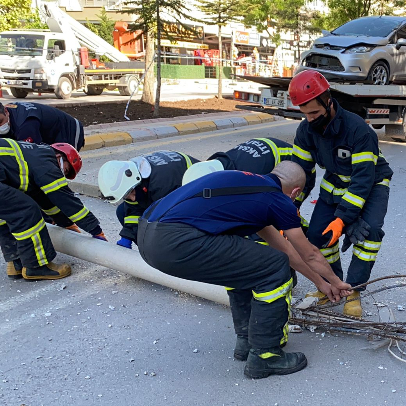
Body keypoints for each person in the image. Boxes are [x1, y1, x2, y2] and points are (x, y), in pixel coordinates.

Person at [137, 163, 351, 378]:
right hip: (176, 240)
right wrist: (336, 281)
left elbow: (286, 249)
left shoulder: (250, 186)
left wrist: (321, 284)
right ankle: (266, 355)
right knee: (274, 268)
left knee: (250, 265)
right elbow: (309, 253)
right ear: (295, 192)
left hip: (147, 234)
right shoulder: (277, 199)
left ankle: (247, 341)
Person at [288, 69, 394, 318]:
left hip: (372, 185)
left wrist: (343, 219)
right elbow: (301, 172)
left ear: (328, 100)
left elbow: (362, 179)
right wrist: (293, 204)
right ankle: (333, 285)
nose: (310, 119)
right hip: (335, 184)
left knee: (369, 236)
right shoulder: (306, 131)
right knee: (318, 236)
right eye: (305, 114)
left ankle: (354, 290)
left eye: (314, 112)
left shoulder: (359, 131)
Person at [0, 139, 106, 281]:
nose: (61, 175)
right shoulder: (45, 160)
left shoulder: (32, 157)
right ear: (59, 157)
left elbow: (47, 202)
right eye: (65, 170)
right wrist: (95, 229)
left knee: (9, 213)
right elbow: (67, 201)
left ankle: (16, 262)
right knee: (26, 212)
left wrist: (66, 223)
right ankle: (36, 267)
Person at [97, 151, 198, 249]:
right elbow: (133, 210)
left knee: (159, 227)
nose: (133, 198)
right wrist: (126, 236)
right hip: (169, 192)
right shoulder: (132, 179)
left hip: (197, 195)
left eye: (131, 193)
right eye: (126, 196)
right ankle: (150, 252)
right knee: (122, 211)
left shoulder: (161, 185)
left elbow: (163, 221)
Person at [181, 138, 299, 185]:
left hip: (296, 163)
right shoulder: (216, 164)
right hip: (265, 151)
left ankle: (304, 232)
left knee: (288, 209)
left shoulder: (249, 175)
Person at [0, 102, 85, 151]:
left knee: (58, 166)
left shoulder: (25, 126)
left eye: (0, 122)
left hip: (69, 130)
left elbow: (33, 155)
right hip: (44, 131)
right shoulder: (8, 115)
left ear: (6, 111)